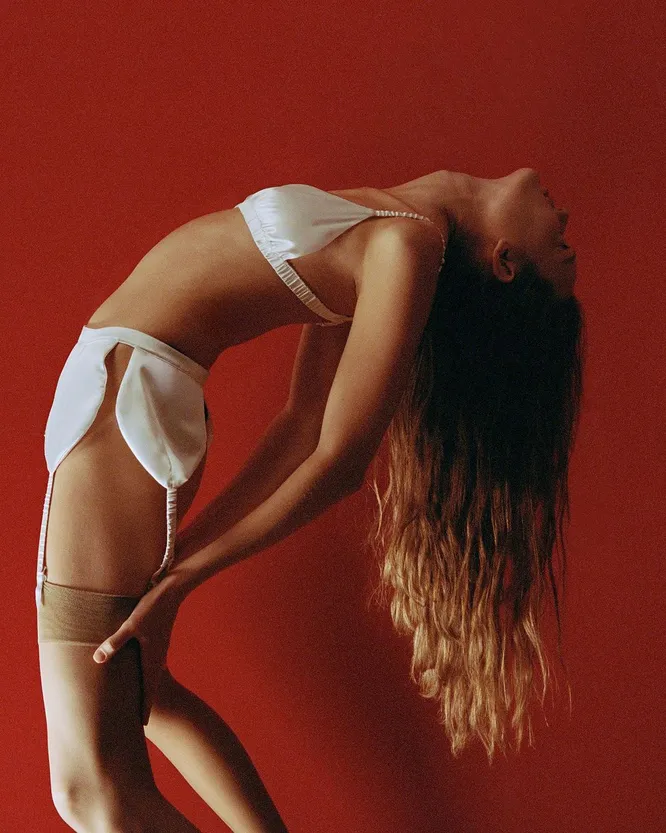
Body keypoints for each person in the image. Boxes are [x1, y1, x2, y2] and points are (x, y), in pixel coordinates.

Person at [36, 167, 585, 832]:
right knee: (148, 696)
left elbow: (338, 459)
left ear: (505, 261)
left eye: (559, 250)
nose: (565, 225)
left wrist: (181, 578)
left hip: (126, 399)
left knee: (90, 791)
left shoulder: (409, 248)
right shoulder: (404, 225)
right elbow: (301, 422)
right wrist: (180, 563)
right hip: (123, 391)